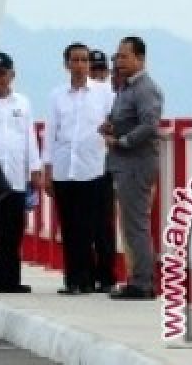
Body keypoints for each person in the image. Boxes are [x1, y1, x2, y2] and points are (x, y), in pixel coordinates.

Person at [43, 43, 117, 295]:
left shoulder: (103, 93)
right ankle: (74, 279)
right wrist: (47, 170)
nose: (79, 65)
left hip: (93, 168)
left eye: (84, 60)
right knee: (69, 227)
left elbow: (113, 121)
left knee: (91, 226)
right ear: (66, 65)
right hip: (65, 169)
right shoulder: (57, 95)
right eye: (74, 60)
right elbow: (51, 133)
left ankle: (96, 277)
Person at [100, 36, 164, 300]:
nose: (119, 61)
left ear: (140, 59)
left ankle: (143, 282)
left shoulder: (145, 88)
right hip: (123, 164)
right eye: (118, 56)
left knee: (136, 224)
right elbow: (128, 119)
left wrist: (123, 141)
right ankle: (137, 278)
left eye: (124, 56)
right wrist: (111, 127)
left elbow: (150, 124)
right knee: (129, 224)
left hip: (136, 165)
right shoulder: (126, 88)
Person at [0, 52, 41, 293]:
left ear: (11, 75)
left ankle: (8, 280)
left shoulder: (22, 103)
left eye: (2, 73)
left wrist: (34, 168)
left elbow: (29, 136)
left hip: (15, 176)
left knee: (12, 232)